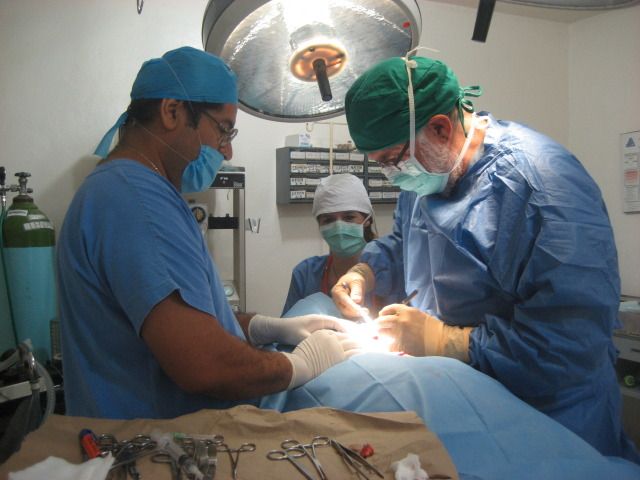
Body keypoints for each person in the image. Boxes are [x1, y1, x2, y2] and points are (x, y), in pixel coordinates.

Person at [332, 51, 639, 461]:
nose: (393, 175)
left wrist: (446, 341)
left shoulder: (543, 188)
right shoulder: (428, 174)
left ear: (440, 128)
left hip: (550, 420)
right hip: (463, 396)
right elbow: (408, 242)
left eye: (392, 160)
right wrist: (367, 271)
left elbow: (568, 346)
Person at [56, 46, 359, 420]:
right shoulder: (135, 200)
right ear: (172, 112)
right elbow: (204, 364)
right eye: (223, 129)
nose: (227, 150)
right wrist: (299, 366)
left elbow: (190, 324)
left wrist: (262, 328)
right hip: (162, 441)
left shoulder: (127, 191)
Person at [282, 173, 383, 315]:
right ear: (320, 225)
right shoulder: (306, 274)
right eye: (328, 220)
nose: (339, 226)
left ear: (367, 220)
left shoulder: (387, 271)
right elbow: (287, 326)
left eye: (349, 217)